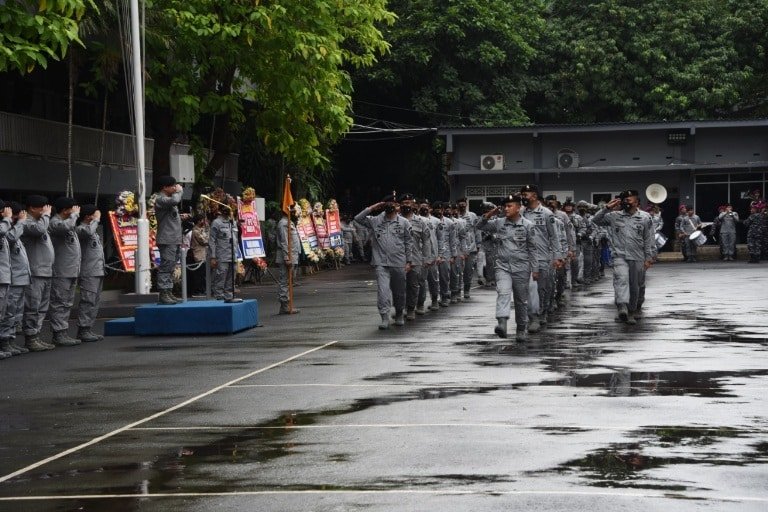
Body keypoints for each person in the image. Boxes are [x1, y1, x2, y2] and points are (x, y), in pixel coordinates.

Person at [477, 195, 536, 341]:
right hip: (502, 266)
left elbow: (533, 249)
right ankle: (502, 323)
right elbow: (479, 225)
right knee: (503, 292)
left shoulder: (528, 225)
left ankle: (521, 329)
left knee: (520, 300)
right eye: (505, 206)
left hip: (522, 267)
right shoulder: (499, 223)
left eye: (510, 206)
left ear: (518, 207)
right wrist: (490, 214)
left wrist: (535, 269)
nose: (506, 208)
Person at [591, 190, 655, 325]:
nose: (626, 202)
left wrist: (649, 257)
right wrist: (606, 208)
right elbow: (595, 220)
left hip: (638, 256)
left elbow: (649, 238)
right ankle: (622, 307)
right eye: (624, 199)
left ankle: (632, 310)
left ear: (637, 202)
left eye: (629, 199)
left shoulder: (645, 217)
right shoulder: (614, 216)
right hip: (619, 256)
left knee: (635, 285)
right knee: (622, 279)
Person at [355, 194, 412, 329]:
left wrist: (409, 261)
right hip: (381, 262)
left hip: (398, 262)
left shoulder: (404, 222)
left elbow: (408, 243)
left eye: (393, 204)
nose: (390, 206)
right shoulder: (375, 220)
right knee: (383, 291)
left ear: (397, 206)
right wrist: (373, 207)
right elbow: (358, 218)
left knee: (399, 292)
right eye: (387, 204)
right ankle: (384, 317)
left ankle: (399, 313)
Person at [520, 185, 564, 333]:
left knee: (542, 289)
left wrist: (558, 257)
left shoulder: (546, 213)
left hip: (543, 257)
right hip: (525, 257)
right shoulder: (520, 212)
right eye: (522, 194)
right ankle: (533, 317)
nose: (523, 197)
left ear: (534, 195)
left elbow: (554, 236)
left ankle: (543, 312)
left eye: (525, 194)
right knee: (528, 290)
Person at [21, 195, 55, 351]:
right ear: (32, 208)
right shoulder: (27, 222)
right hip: (35, 271)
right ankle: (30, 337)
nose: (45, 209)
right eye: (42, 207)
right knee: (32, 306)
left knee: (41, 307)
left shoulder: (40, 221)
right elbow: (39, 230)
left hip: (46, 270)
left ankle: (36, 335)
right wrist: (46, 216)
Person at [48, 197, 82, 346]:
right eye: (72, 209)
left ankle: (63, 331)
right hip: (61, 270)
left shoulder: (69, 222)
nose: (75, 211)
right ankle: (58, 333)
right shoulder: (55, 223)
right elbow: (65, 228)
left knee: (67, 302)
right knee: (59, 302)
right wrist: (74, 215)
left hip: (71, 269)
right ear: (65, 210)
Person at [0, 202, 31, 356]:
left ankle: (9, 342)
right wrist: (14, 221)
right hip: (8, 278)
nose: (13, 218)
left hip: (11, 277)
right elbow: (10, 237)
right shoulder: (6, 229)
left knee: (13, 312)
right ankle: (5, 342)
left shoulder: (9, 230)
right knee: (7, 312)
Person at [75, 204, 105, 342]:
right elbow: (88, 232)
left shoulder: (93, 230)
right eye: (94, 214)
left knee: (95, 301)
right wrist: (96, 220)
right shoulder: (81, 229)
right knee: (88, 301)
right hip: (88, 271)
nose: (97, 216)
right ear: (88, 216)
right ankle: (83, 329)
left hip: (97, 269)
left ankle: (88, 328)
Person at [399, 193, 430, 320]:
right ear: (400, 205)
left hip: (415, 258)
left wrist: (427, 258)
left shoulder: (421, 222)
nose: (407, 205)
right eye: (404, 203)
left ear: (413, 204)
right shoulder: (395, 220)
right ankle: (400, 308)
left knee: (413, 285)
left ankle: (411, 308)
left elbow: (426, 241)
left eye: (409, 203)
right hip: (398, 258)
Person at [154, 176, 185, 304]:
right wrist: (179, 191)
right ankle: (163, 293)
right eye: (172, 185)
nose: (175, 187)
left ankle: (168, 291)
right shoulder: (160, 198)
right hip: (167, 239)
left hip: (174, 238)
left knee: (171, 267)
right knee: (166, 266)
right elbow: (175, 201)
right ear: (164, 187)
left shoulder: (168, 199)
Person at [208, 206, 240, 301]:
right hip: (221, 255)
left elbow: (236, 239)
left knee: (231, 278)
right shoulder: (216, 223)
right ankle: (219, 297)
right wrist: (213, 257)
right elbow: (212, 240)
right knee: (220, 277)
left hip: (233, 255)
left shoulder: (232, 222)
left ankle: (229, 297)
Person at [276, 205, 301, 314]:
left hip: (293, 256)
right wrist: (287, 258)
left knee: (288, 281)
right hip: (286, 257)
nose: (294, 211)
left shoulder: (289, 222)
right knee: (285, 281)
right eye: (292, 209)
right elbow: (284, 242)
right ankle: (285, 305)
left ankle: (288, 304)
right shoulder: (283, 223)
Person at [457, 197, 478, 299]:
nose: (462, 205)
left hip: (471, 246)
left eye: (463, 203)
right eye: (460, 203)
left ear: (466, 204)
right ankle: (456, 291)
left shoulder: (472, 216)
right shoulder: (455, 215)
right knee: (457, 270)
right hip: (459, 247)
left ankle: (466, 289)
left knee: (468, 271)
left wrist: (478, 244)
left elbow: (477, 229)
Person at [188, 214, 208, 295]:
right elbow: (204, 241)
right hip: (198, 255)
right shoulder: (196, 231)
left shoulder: (201, 230)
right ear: (198, 221)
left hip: (204, 254)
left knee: (203, 274)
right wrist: (208, 238)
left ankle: (203, 289)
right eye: (202, 220)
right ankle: (198, 290)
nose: (204, 222)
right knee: (199, 274)